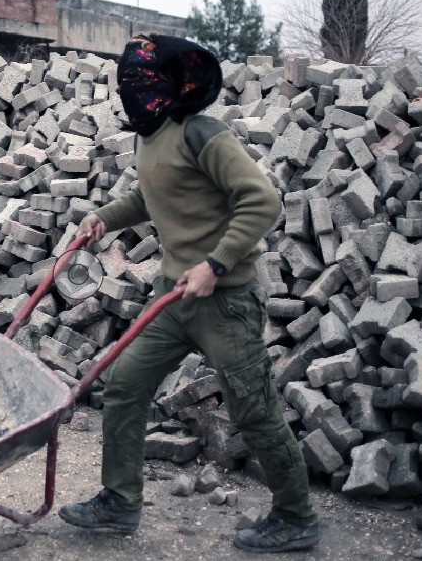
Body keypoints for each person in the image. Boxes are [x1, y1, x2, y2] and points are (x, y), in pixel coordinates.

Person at [57, 35, 320, 553]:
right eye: (123, 81)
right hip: (174, 297)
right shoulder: (148, 134)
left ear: (161, 83)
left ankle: (297, 517)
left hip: (227, 301)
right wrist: (102, 219)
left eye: (138, 81)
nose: (128, 90)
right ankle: (120, 502)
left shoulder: (203, 132)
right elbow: (151, 192)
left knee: (254, 410)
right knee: (126, 385)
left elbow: (262, 201)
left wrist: (216, 263)